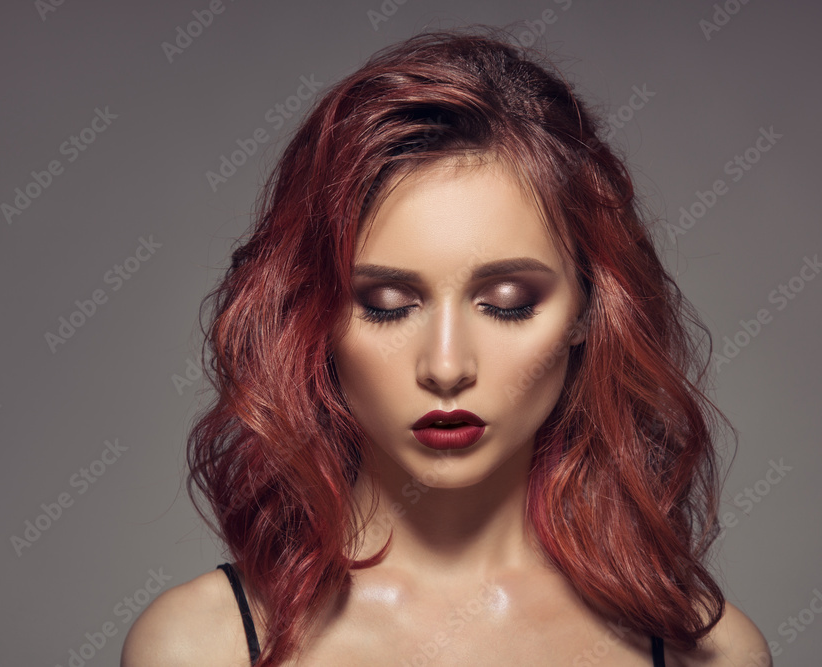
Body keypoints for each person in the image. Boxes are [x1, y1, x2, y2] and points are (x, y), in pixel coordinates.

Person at [122, 26, 772, 666]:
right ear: (315, 318)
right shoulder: (198, 648)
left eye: (508, 301)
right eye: (387, 305)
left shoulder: (710, 653)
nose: (446, 366)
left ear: (586, 309)